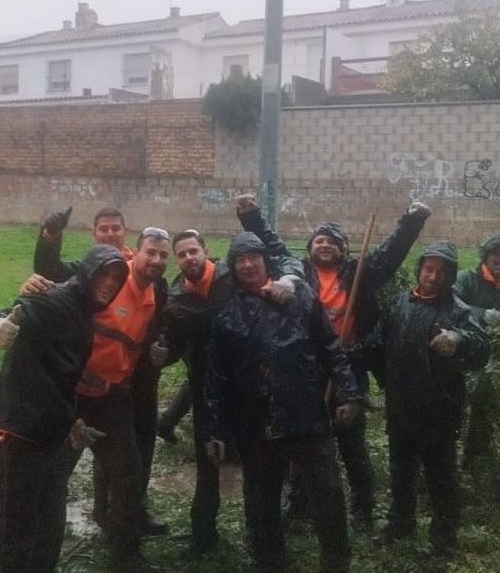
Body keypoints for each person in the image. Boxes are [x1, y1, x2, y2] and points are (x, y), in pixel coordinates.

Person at [236, 195, 431, 527]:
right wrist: (251, 216)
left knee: (352, 442)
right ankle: (299, 506)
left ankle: (363, 509)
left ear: (343, 249)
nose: (325, 246)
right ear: (311, 247)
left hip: (347, 367)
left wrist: (412, 221)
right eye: (319, 241)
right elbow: (272, 246)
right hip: (305, 369)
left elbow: (390, 254)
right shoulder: (298, 272)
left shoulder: (359, 274)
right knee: (304, 439)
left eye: (333, 242)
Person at [204, 232, 361, 573]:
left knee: (327, 493)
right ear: (233, 268)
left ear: (265, 261)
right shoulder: (227, 317)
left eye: (253, 257)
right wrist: (216, 430)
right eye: (240, 260)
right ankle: (268, 562)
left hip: (305, 415)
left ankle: (336, 562)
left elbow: (332, 349)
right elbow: (216, 380)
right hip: (255, 422)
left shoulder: (300, 296)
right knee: (260, 502)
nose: (248, 265)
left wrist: (348, 393)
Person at [149, 229, 303, 555]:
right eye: (182, 254)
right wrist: (163, 353)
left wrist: (289, 279)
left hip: (250, 388)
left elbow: (285, 259)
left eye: (193, 251)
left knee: (256, 466)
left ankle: (259, 536)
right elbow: (174, 344)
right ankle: (202, 537)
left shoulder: (231, 277)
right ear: (177, 260)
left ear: (206, 252)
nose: (189, 258)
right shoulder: (176, 300)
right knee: (209, 467)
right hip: (208, 391)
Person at [0, 245, 129, 573]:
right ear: (87, 272)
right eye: (103, 274)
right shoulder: (54, 299)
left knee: (48, 525)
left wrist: (71, 420)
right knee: (13, 529)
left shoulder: (86, 314)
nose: (108, 283)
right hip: (14, 432)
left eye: (116, 278)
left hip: (48, 437)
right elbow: (7, 314)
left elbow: (60, 378)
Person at [29, 208, 170, 536]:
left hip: (114, 395)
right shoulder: (99, 274)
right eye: (151, 252)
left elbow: (163, 324)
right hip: (73, 395)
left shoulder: (157, 287)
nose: (156, 259)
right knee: (57, 470)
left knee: (127, 472)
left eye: (163, 255)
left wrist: (164, 344)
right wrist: (49, 239)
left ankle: (124, 544)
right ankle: (35, 537)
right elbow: (52, 275)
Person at [365, 241, 490, 560]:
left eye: (442, 271)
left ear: (450, 276)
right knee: (400, 471)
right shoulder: (399, 304)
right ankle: (400, 523)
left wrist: (458, 340)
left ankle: (443, 542)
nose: (433, 277)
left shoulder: (458, 311)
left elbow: (481, 348)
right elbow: (377, 344)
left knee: (441, 479)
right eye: (429, 269)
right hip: (401, 407)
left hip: (439, 411)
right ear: (420, 269)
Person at [453, 234, 500, 468]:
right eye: (495, 254)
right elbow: (451, 303)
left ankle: (476, 455)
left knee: (484, 402)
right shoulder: (467, 279)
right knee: (456, 403)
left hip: (494, 358)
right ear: (485, 257)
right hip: (461, 351)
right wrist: (482, 313)